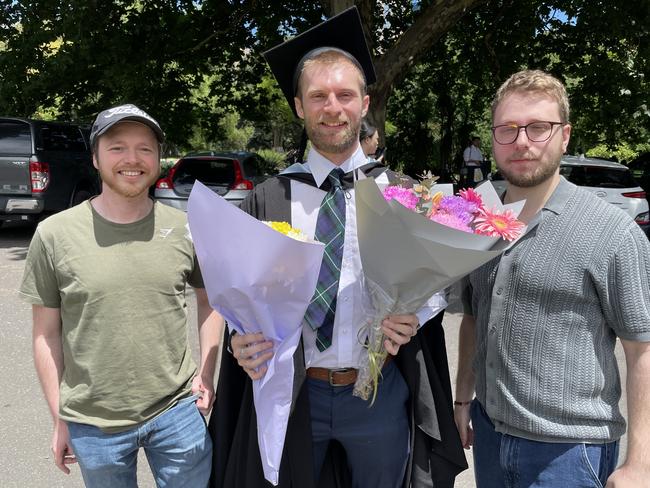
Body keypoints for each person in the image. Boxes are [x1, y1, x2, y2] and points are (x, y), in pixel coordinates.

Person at [209, 7, 466, 488]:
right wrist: (237, 340)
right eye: (318, 96)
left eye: (345, 95)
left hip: (379, 393)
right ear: (299, 106)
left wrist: (417, 313)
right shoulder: (266, 199)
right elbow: (237, 302)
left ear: (364, 103)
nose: (333, 107)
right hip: (295, 394)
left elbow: (435, 287)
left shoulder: (407, 196)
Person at [454, 70, 650, 487]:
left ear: (564, 135)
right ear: (492, 140)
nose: (521, 141)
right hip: (488, 436)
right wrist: (462, 398)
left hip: (569, 453)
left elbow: (642, 349)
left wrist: (640, 462)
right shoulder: (480, 222)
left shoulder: (612, 232)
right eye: (507, 129)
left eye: (538, 127)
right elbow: (472, 315)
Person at [20, 104, 223, 487]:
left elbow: (209, 301)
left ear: (159, 158)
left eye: (145, 148)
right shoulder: (54, 235)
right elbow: (45, 334)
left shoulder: (187, 229)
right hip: (94, 421)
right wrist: (59, 416)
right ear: (95, 157)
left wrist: (207, 375)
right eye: (117, 148)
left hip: (177, 411)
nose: (132, 159)